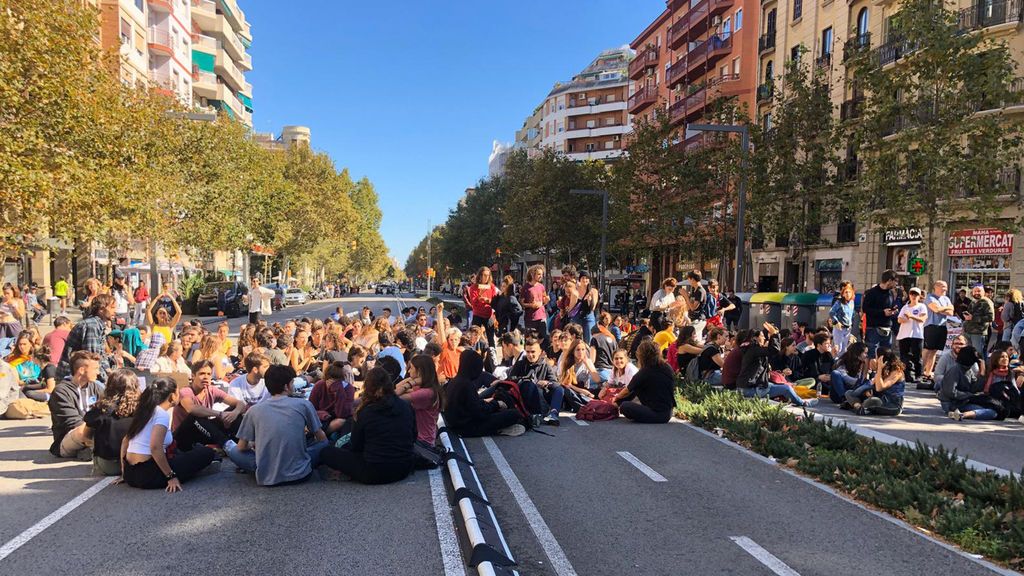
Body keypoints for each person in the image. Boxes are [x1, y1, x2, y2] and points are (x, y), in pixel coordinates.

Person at [227, 365, 328, 486]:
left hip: (267, 476)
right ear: (286, 386)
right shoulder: (303, 405)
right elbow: (321, 437)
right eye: (292, 382)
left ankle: (263, 466)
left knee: (233, 451)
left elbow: (241, 447)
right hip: (300, 473)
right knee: (323, 445)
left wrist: (254, 444)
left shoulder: (254, 410)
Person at [320, 367, 417, 484]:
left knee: (326, 452)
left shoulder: (365, 412)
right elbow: (413, 435)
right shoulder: (406, 406)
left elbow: (356, 445)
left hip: (374, 472)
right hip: (404, 468)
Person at [118, 377, 218, 492]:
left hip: (131, 474)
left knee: (181, 448)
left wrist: (124, 472)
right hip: (148, 475)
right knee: (206, 453)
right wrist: (171, 476)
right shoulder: (161, 414)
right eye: (178, 392)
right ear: (172, 396)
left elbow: (125, 441)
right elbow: (155, 447)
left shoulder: (145, 410)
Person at [444, 350, 523, 437]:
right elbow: (479, 412)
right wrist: (496, 404)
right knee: (514, 414)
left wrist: (487, 403)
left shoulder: (455, 381)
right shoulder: (466, 385)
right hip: (468, 427)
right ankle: (498, 429)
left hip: (457, 424)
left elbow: (470, 405)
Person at [737, 324, 816, 407]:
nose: (764, 338)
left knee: (782, 385)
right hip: (750, 389)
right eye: (762, 336)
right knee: (786, 388)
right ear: (755, 338)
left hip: (749, 386)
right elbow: (774, 350)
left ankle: (797, 399)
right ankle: (803, 403)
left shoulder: (751, 349)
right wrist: (774, 334)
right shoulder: (753, 350)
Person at [171, 360, 243, 451]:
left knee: (233, 410)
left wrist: (234, 413)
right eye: (202, 374)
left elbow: (240, 404)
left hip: (203, 431)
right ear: (193, 376)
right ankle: (227, 446)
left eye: (209, 374)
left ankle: (240, 445)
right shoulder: (185, 392)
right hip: (183, 436)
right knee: (197, 415)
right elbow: (191, 409)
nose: (206, 377)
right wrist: (220, 414)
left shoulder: (211, 390)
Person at [84, 369, 140, 475]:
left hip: (109, 465)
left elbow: (86, 436)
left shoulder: (100, 408)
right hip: (137, 461)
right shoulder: (143, 407)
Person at [49, 351, 102, 458]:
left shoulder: (96, 387)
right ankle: (95, 450)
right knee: (82, 431)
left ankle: (93, 450)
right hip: (69, 437)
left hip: (92, 433)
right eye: (95, 368)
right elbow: (73, 422)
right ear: (82, 370)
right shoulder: (61, 392)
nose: (99, 372)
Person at [613, 340, 675, 423]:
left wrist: (616, 398)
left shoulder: (645, 372)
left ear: (642, 356)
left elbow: (627, 391)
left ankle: (614, 405)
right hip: (668, 412)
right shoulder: (667, 367)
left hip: (657, 414)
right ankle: (617, 405)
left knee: (625, 406)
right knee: (637, 387)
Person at [57, 294, 116, 381]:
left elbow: (100, 355)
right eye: (112, 308)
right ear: (101, 310)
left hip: (83, 373)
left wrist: (108, 371)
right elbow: (92, 357)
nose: (115, 311)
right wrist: (106, 380)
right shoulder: (92, 326)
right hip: (73, 376)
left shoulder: (98, 325)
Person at [507, 336, 562, 425]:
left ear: (540, 352)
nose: (530, 355)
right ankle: (534, 415)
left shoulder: (545, 365)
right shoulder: (520, 364)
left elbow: (554, 382)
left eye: (533, 352)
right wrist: (528, 380)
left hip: (542, 397)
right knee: (529, 385)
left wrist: (546, 383)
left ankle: (553, 414)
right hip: (525, 396)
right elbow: (511, 379)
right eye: (527, 352)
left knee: (559, 389)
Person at [948, 351, 1015, 421]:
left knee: (993, 413)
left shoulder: (1010, 374)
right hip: (983, 400)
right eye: (1002, 357)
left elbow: (1015, 391)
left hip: (999, 404)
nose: (1005, 359)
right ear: (996, 359)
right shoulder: (988, 372)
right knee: (992, 411)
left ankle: (962, 415)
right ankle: (960, 412)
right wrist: (982, 373)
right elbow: (977, 388)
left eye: (1007, 357)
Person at [395, 355, 445, 445]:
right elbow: (397, 387)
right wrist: (414, 378)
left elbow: (394, 396)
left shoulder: (427, 393)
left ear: (419, 371)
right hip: (421, 437)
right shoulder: (426, 388)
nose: (409, 370)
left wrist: (412, 382)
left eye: (412, 368)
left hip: (422, 441)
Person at [846, 349, 905, 416]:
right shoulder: (884, 369)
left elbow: (880, 388)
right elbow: (870, 388)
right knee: (849, 393)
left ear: (881, 359)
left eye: (876, 357)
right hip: (881, 399)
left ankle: (858, 406)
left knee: (873, 400)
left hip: (892, 405)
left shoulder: (897, 372)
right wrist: (868, 390)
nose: (875, 359)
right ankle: (859, 407)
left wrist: (879, 368)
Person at [309, 360, 356, 436]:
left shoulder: (348, 389)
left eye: (336, 382)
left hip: (339, 419)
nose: (332, 384)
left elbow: (343, 414)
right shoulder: (320, 385)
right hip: (321, 419)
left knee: (341, 421)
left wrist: (339, 392)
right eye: (330, 381)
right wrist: (323, 415)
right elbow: (311, 409)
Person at [922, 281, 955, 383]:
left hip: (942, 326)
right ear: (936, 287)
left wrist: (941, 309)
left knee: (934, 351)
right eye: (943, 287)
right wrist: (944, 309)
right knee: (927, 349)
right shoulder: (930, 297)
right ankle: (920, 370)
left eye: (946, 287)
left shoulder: (946, 299)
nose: (945, 289)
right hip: (931, 326)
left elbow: (951, 311)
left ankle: (928, 372)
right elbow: (935, 309)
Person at [862, 270, 899, 359]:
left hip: (887, 328)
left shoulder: (890, 293)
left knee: (886, 355)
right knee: (872, 355)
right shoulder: (872, 292)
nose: (896, 284)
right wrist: (882, 312)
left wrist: (893, 310)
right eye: (895, 281)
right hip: (874, 328)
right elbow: (865, 309)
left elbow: (891, 305)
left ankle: (882, 372)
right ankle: (870, 372)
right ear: (889, 280)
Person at [896, 287, 928, 384]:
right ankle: (906, 375)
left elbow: (922, 319)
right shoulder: (905, 307)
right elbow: (899, 319)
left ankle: (918, 375)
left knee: (917, 356)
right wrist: (906, 319)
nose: (913, 296)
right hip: (904, 334)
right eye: (912, 294)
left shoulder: (922, 306)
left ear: (919, 296)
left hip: (917, 334)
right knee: (904, 356)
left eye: (916, 295)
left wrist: (911, 317)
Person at [938, 345, 983, 413]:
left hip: (962, 401)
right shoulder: (955, 371)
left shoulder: (968, 370)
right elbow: (951, 392)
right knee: (985, 411)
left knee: (988, 406)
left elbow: (974, 388)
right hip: (951, 403)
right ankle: (962, 414)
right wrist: (969, 395)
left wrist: (982, 374)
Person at [467, 267, 499, 347]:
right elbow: (473, 303)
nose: (486, 277)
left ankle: (492, 354)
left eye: (488, 275)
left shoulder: (491, 286)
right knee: (474, 336)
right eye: (484, 275)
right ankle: (474, 352)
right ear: (480, 276)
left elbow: (494, 301)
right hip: (477, 314)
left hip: (488, 315)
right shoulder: (474, 287)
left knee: (490, 337)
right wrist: (479, 297)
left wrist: (488, 300)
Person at [829, 342, 869, 406]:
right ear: (858, 352)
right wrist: (858, 381)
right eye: (865, 353)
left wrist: (865, 367)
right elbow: (845, 377)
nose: (866, 355)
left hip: (852, 391)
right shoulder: (844, 359)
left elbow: (863, 380)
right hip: (839, 393)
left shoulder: (863, 362)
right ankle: (845, 399)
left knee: (868, 382)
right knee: (835, 373)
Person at [963, 284, 995, 361]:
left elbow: (991, 317)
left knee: (978, 354)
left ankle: (982, 371)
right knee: (969, 353)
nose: (977, 293)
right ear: (972, 292)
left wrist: (973, 318)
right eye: (975, 291)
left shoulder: (986, 302)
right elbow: (970, 315)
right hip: (968, 331)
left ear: (983, 292)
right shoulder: (973, 301)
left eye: (979, 291)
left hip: (978, 332)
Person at [521, 265, 550, 343]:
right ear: (532, 274)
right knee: (530, 340)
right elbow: (522, 303)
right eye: (539, 274)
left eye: (542, 274)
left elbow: (544, 300)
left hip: (542, 317)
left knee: (544, 338)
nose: (541, 276)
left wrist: (546, 300)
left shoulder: (541, 286)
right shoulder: (526, 287)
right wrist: (531, 305)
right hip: (530, 318)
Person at [434, 302, 461, 380]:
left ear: (459, 340)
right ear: (448, 340)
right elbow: (441, 331)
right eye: (451, 340)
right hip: (447, 381)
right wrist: (439, 313)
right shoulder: (445, 349)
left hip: (458, 381)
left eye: (456, 340)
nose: (453, 342)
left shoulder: (461, 352)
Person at [829, 281, 856, 356]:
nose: (848, 294)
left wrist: (852, 327)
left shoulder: (852, 302)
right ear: (843, 293)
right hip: (839, 328)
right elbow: (831, 312)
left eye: (849, 292)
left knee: (844, 350)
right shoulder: (838, 301)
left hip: (848, 328)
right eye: (846, 292)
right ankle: (835, 365)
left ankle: (841, 365)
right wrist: (836, 322)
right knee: (838, 349)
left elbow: (852, 315)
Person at [589, 312, 617, 383]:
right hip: (611, 373)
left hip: (600, 371)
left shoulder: (595, 339)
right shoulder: (613, 339)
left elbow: (592, 360)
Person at [573, 271, 600, 343]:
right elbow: (572, 306)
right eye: (583, 278)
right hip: (577, 316)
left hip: (588, 315)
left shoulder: (593, 291)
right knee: (577, 339)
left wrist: (589, 301)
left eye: (587, 278)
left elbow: (593, 308)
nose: (585, 280)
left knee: (589, 339)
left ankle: (588, 353)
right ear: (579, 279)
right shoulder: (575, 291)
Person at [686, 270, 712, 339]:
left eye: (689, 279)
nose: (688, 281)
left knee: (693, 339)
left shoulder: (700, 291)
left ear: (693, 279)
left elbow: (693, 307)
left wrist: (685, 296)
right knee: (695, 339)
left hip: (698, 319)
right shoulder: (694, 290)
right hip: (694, 319)